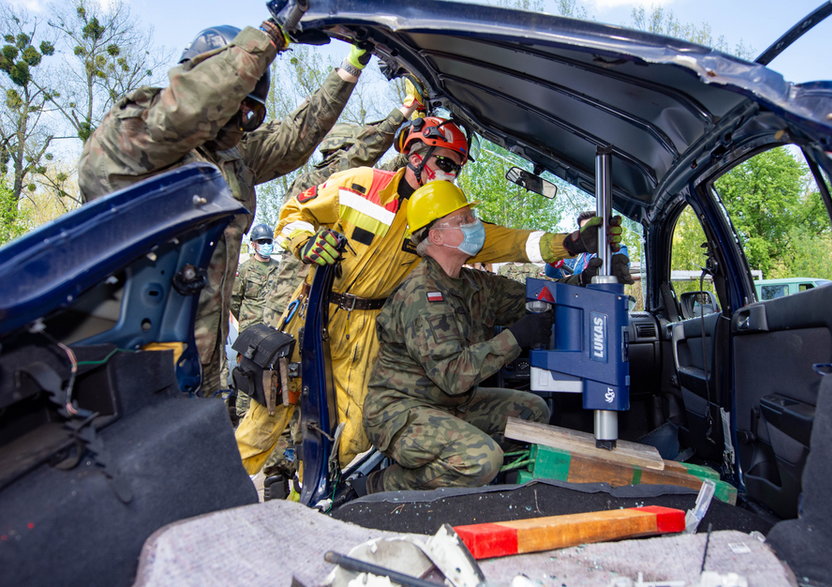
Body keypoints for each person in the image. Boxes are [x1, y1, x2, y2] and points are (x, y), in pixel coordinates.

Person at [235, 115, 618, 474]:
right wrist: (306, 241)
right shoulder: (357, 185)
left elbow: (509, 242)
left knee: (352, 436)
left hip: (369, 329)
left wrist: (570, 243)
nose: (452, 175)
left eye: (457, 168)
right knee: (266, 416)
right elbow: (293, 212)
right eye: (447, 165)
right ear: (416, 157)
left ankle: (318, 512)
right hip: (315, 314)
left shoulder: (441, 218)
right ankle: (213, 506)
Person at [78, 17, 367, 396]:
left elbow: (297, 136)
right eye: (236, 99)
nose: (239, 118)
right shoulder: (132, 139)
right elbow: (186, 111)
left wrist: (350, 68)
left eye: (249, 110)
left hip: (198, 360)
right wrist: (270, 37)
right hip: (131, 360)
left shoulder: (230, 156)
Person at [361, 180, 552, 492]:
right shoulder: (422, 294)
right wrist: (516, 337)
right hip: (401, 412)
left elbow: (531, 297)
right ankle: (383, 486)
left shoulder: (472, 282)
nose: (474, 226)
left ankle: (499, 488)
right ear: (435, 236)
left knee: (532, 412)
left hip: (449, 404)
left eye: (471, 218)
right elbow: (453, 374)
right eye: (463, 221)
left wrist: (583, 281)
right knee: (480, 460)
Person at [262, 79, 425, 327]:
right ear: (344, 149)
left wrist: (420, 135)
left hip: (323, 293)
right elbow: (362, 159)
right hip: (294, 291)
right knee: (286, 360)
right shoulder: (320, 179)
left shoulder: (358, 181)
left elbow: (395, 173)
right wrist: (403, 112)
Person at [230, 223, 279, 418]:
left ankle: (268, 412)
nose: (266, 244)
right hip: (251, 330)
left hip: (272, 330)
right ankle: (243, 413)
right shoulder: (244, 270)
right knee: (247, 370)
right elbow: (234, 300)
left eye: (268, 241)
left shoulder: (278, 268)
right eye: (262, 242)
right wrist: (247, 319)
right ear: (253, 245)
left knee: (271, 371)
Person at [545, 211, 634, 284]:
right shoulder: (576, 254)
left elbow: (618, 269)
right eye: (584, 230)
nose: (588, 234)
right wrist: (557, 251)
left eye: (591, 228)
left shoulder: (616, 249)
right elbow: (551, 272)